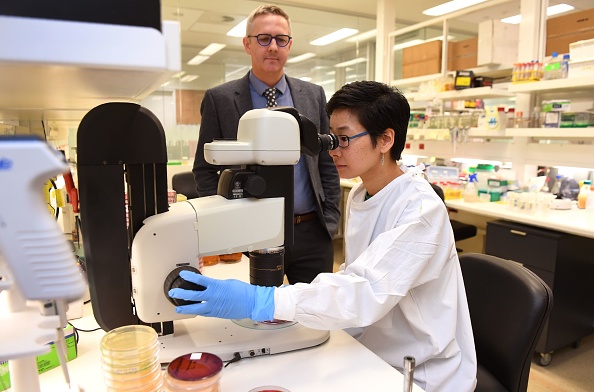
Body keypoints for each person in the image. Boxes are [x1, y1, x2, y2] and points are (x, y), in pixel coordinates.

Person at [172, 80, 477, 391]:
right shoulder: (364, 193)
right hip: (372, 346)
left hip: (419, 369)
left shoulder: (421, 210)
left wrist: (262, 300)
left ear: (385, 139)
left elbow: (365, 291)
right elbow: (356, 275)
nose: (333, 150)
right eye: (332, 139)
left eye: (343, 139)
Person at [192, 4, 341, 284]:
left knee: (316, 319)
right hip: (250, 233)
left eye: (280, 39)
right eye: (264, 38)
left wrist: (329, 222)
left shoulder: (313, 95)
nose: (273, 46)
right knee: (255, 319)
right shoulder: (221, 99)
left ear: (289, 44)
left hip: (310, 232)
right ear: (247, 44)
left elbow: (326, 161)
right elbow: (204, 170)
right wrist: (227, 225)